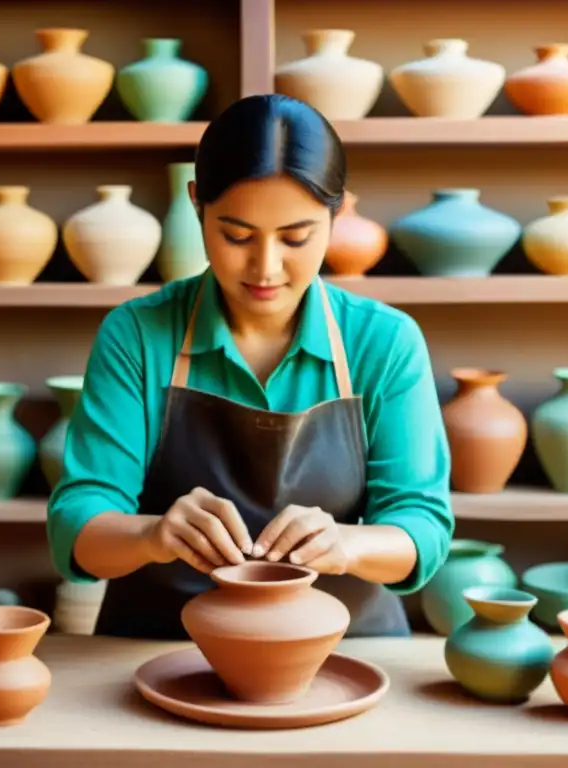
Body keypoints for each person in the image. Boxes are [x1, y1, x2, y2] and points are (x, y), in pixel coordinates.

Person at [46, 93, 454, 639]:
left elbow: (423, 528)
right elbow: (77, 524)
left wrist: (348, 543)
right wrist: (152, 535)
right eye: (236, 236)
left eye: (296, 238)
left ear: (336, 213)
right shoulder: (139, 334)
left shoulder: (383, 341)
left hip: (346, 648)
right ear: (197, 206)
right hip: (161, 646)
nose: (266, 267)